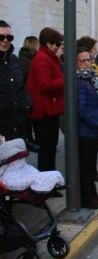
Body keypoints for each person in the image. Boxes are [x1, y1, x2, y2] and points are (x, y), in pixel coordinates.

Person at [76, 47, 98, 209]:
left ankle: (93, 196)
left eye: (88, 59)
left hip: (94, 131)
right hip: (86, 132)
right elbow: (82, 110)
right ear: (75, 63)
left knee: (90, 167)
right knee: (86, 168)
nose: (86, 64)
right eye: (82, 60)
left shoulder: (91, 78)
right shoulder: (79, 82)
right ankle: (88, 198)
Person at [26, 27, 64, 172]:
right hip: (45, 111)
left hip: (50, 109)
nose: (58, 48)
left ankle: (50, 179)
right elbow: (45, 85)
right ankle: (46, 181)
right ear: (48, 43)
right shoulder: (43, 59)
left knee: (50, 148)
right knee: (46, 149)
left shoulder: (48, 57)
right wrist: (65, 79)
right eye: (57, 44)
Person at [0, 20, 32, 142]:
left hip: (18, 127)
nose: (5, 40)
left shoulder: (14, 59)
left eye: (9, 37)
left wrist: (27, 105)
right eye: (1, 37)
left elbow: (22, 86)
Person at [18, 35, 40, 152]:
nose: (38, 46)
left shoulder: (34, 56)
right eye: (37, 44)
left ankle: (36, 140)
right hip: (27, 91)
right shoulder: (24, 57)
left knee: (34, 119)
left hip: (34, 91)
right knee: (28, 120)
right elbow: (24, 74)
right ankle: (29, 142)